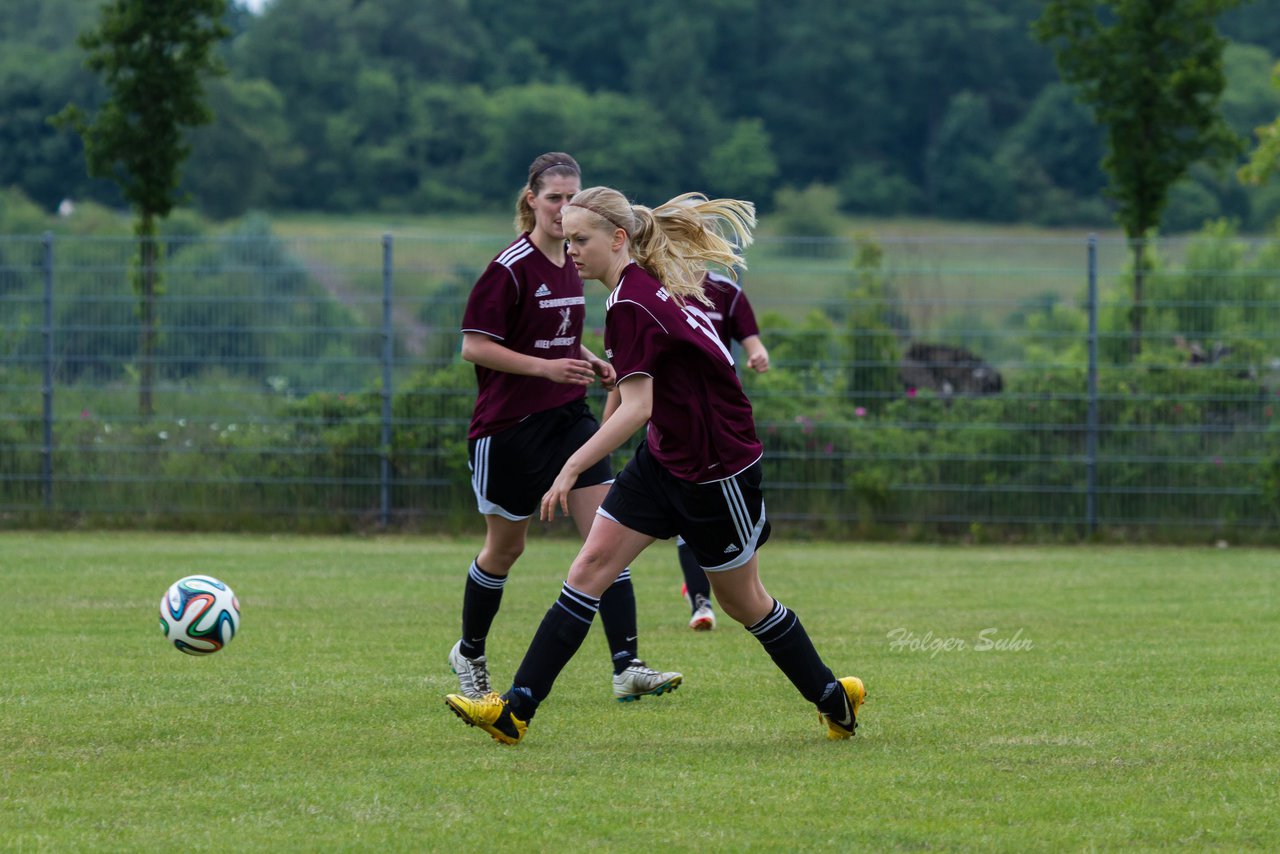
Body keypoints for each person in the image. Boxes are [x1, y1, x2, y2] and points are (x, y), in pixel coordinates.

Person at [445, 186, 865, 745]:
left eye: (580, 240)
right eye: (566, 239)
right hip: (664, 460)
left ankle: (833, 698)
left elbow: (637, 407)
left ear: (618, 239)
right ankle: (515, 711)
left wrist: (572, 467)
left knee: (744, 602)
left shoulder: (634, 303)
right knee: (589, 566)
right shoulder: (629, 294)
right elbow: (631, 389)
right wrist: (603, 439)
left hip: (718, 471)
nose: (570, 250)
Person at [448, 153, 682, 704]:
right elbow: (475, 346)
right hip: (508, 429)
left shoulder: (572, 263)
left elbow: (554, 336)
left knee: (607, 533)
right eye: (553, 198)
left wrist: (592, 361)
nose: (562, 209)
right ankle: (471, 652)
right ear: (532, 200)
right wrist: (546, 368)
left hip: (569, 419)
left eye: (571, 199)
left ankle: (627, 665)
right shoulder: (508, 268)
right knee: (505, 552)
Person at [676, 271, 770, 631]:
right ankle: (701, 602)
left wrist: (758, 355)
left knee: (721, 514)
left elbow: (752, 340)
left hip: (720, 418)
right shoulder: (660, 286)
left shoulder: (726, 291)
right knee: (687, 510)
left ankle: (740, 592)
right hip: (678, 418)